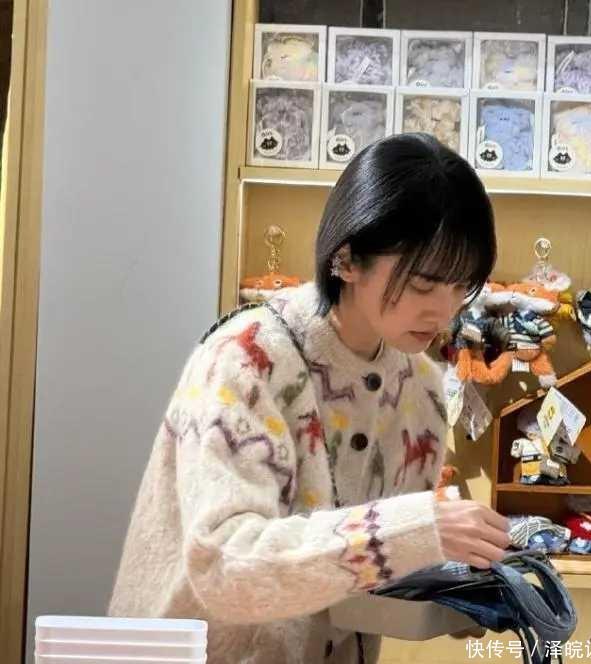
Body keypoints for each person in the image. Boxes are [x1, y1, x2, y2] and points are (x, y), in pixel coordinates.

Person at [109, 133, 510, 664]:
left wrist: (462, 591)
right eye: (422, 285)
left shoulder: (423, 390)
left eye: (461, 287)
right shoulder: (245, 361)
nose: (444, 311)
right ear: (347, 259)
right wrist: (416, 529)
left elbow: (371, 575)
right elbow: (225, 565)